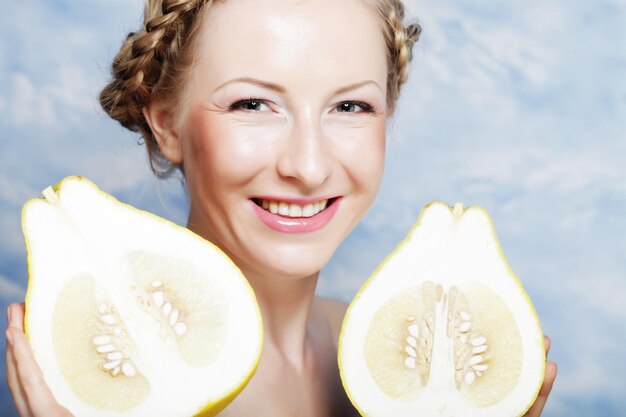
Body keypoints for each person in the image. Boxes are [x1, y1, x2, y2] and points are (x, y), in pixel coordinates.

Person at [5, 0, 557, 416]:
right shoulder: (95, 389)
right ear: (165, 122)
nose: (308, 165)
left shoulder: (393, 360)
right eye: (253, 104)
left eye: (350, 106)